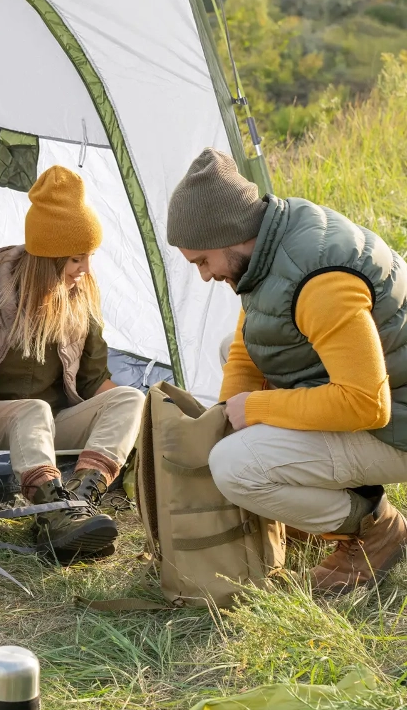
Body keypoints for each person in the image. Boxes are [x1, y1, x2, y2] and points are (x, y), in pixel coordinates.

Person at [167, 147, 407, 593]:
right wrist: (225, 414)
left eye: (202, 261)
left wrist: (256, 409)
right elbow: (244, 346)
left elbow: (367, 404)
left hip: (395, 421)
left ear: (227, 235)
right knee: (228, 367)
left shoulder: (320, 280)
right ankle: (315, 501)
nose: (203, 276)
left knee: (235, 466)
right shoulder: (272, 242)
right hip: (391, 393)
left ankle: (374, 528)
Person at [0, 165, 145, 564]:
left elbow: (94, 382)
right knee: (33, 411)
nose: (85, 269)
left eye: (89, 257)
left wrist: (139, 416)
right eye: (75, 259)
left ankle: (79, 502)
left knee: (131, 398)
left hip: (46, 428)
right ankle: (51, 514)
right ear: (47, 259)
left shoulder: (80, 298)